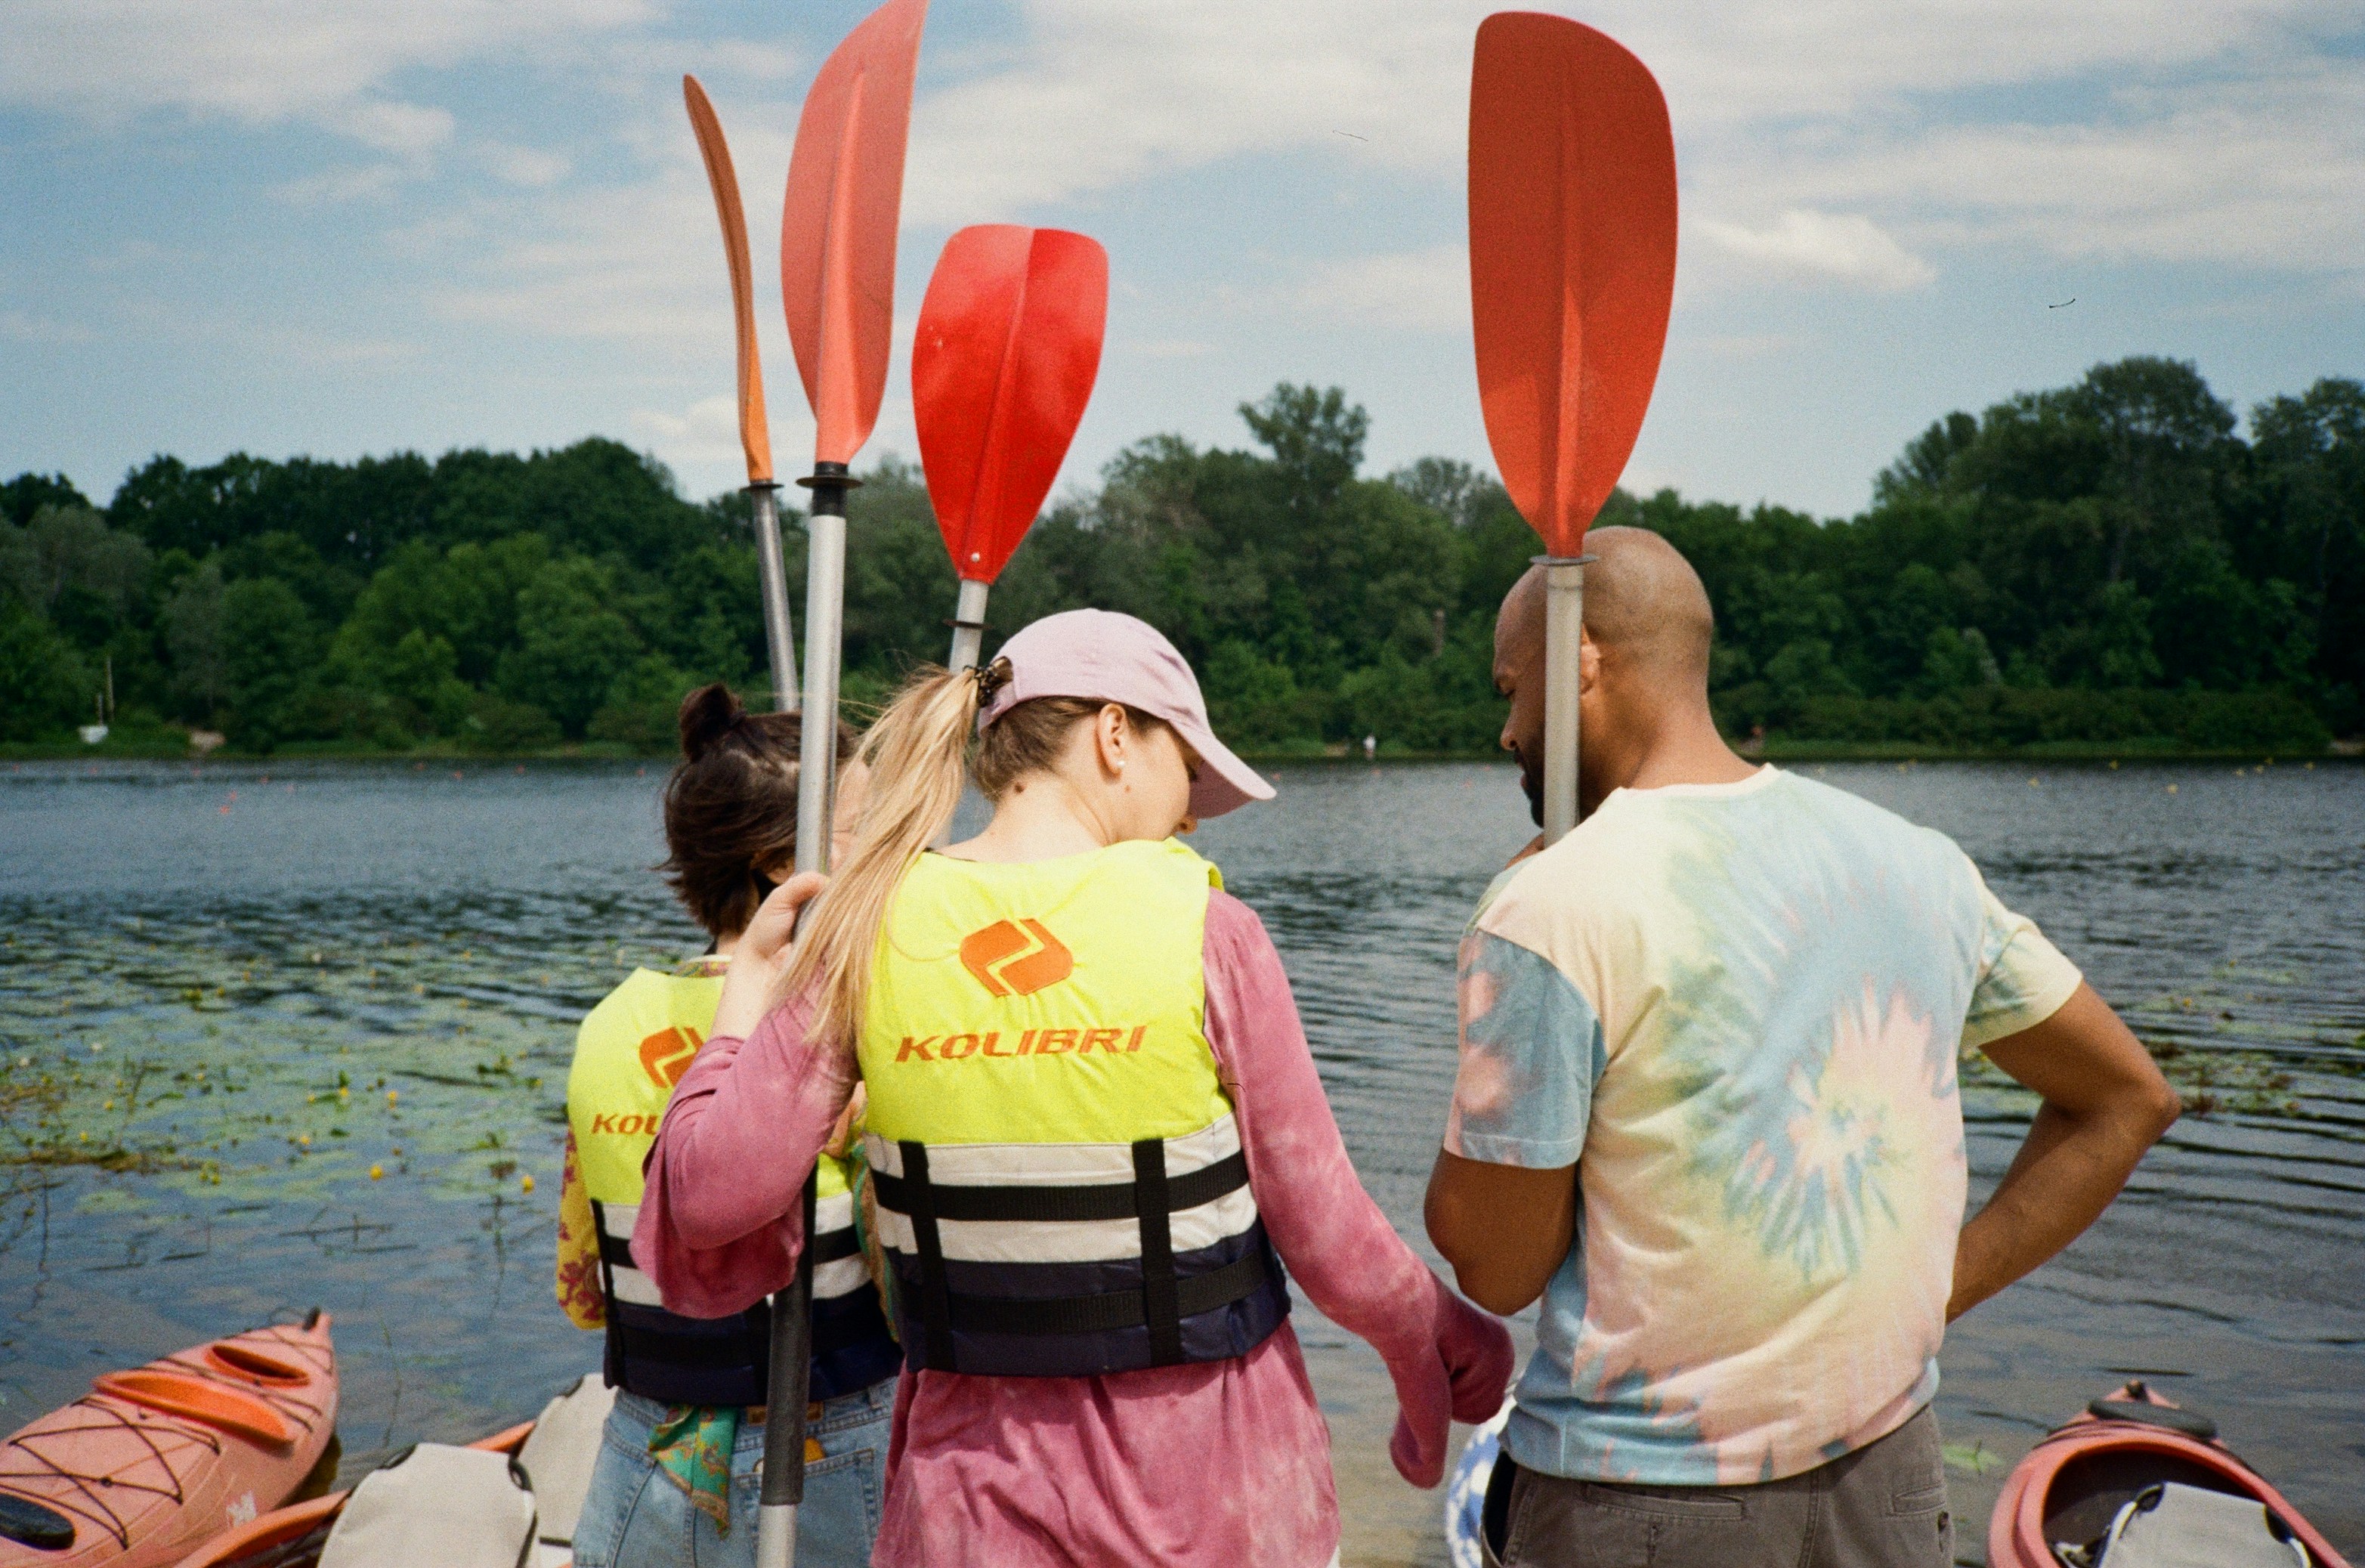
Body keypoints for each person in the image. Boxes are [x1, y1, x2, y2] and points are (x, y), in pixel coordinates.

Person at [634, 609, 1513, 1568]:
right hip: (1211, 1497)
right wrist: (1439, 1335)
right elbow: (1329, 1236)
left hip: (970, 1508)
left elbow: (711, 1195)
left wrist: (744, 1005)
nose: (1188, 813)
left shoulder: (865, 926)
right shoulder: (1209, 929)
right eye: (1188, 769)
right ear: (1112, 735)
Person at [1424, 530, 2183, 1567]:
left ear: (1580, 664)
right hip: (1889, 1474)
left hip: (1634, 1502)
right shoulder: (1917, 861)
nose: (1506, 728)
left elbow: (1493, 1261)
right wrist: (1929, 1290)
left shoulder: (1549, 902)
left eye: (1512, 688)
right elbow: (2125, 1095)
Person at [556, 683, 900, 1568]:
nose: (892, 851)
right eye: (864, 827)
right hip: (827, 1442)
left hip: (645, 1452)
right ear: (784, 859)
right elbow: (906, 1287)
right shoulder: (846, 1027)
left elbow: (582, 1291)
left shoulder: (607, 1022)